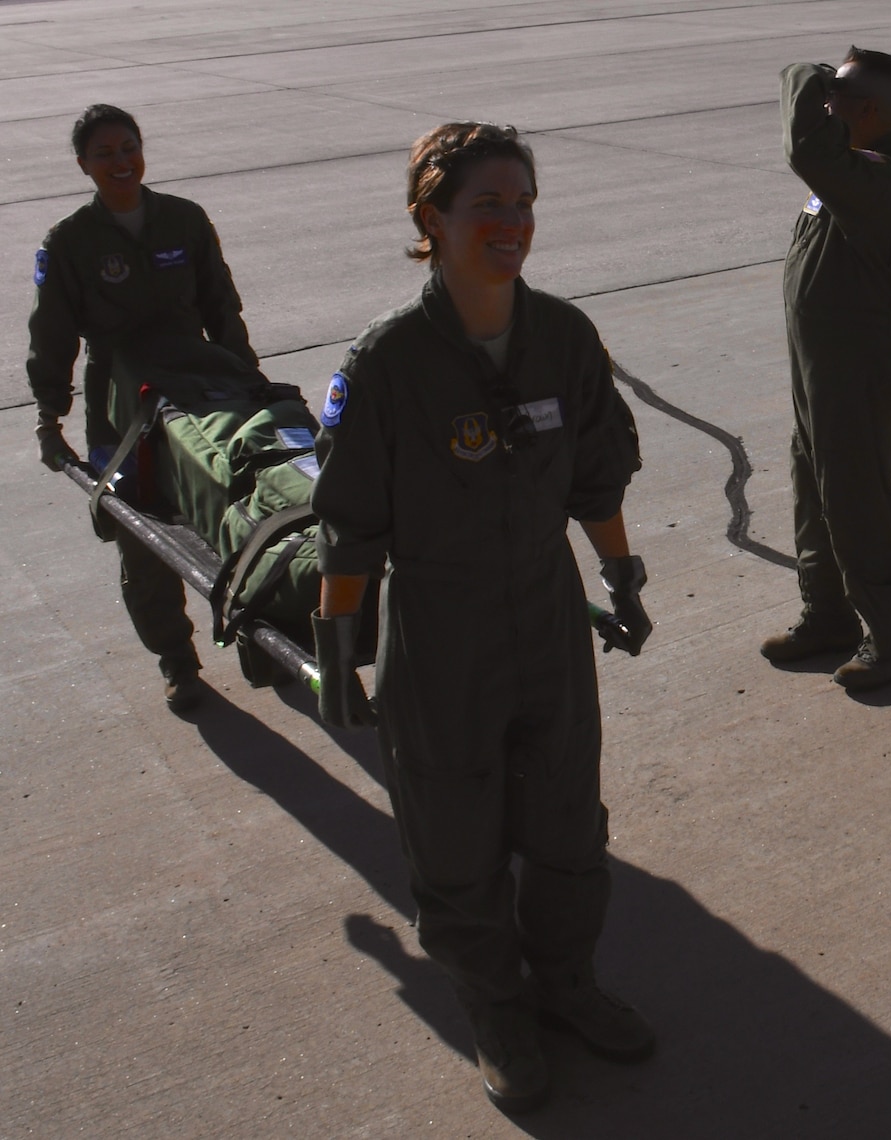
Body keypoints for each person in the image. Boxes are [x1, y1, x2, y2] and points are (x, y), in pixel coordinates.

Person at [309, 122, 652, 1115]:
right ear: (431, 217)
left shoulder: (564, 339)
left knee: (567, 822)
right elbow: (349, 526)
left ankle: (567, 982)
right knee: (455, 840)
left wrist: (621, 571)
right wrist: (338, 648)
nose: (512, 222)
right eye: (487, 204)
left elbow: (594, 476)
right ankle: (497, 1010)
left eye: (524, 202)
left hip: (545, 615)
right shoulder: (388, 361)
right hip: (439, 630)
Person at [26, 104, 262, 710]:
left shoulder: (184, 219)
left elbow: (221, 305)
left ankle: (259, 636)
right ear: (83, 164)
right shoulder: (70, 242)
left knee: (234, 516)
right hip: (119, 409)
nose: (121, 162)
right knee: (144, 538)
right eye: (104, 154)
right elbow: (52, 335)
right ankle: (177, 660)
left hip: (200, 396)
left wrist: (249, 381)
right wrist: (49, 417)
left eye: (129, 148)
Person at [761, 47, 891, 690]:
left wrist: (806, 73)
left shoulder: (883, 174)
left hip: (860, 365)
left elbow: (805, 147)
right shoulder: (854, 164)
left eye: (837, 94)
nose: (827, 103)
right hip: (823, 365)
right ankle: (828, 616)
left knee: (858, 499)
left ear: (869, 111)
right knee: (814, 487)